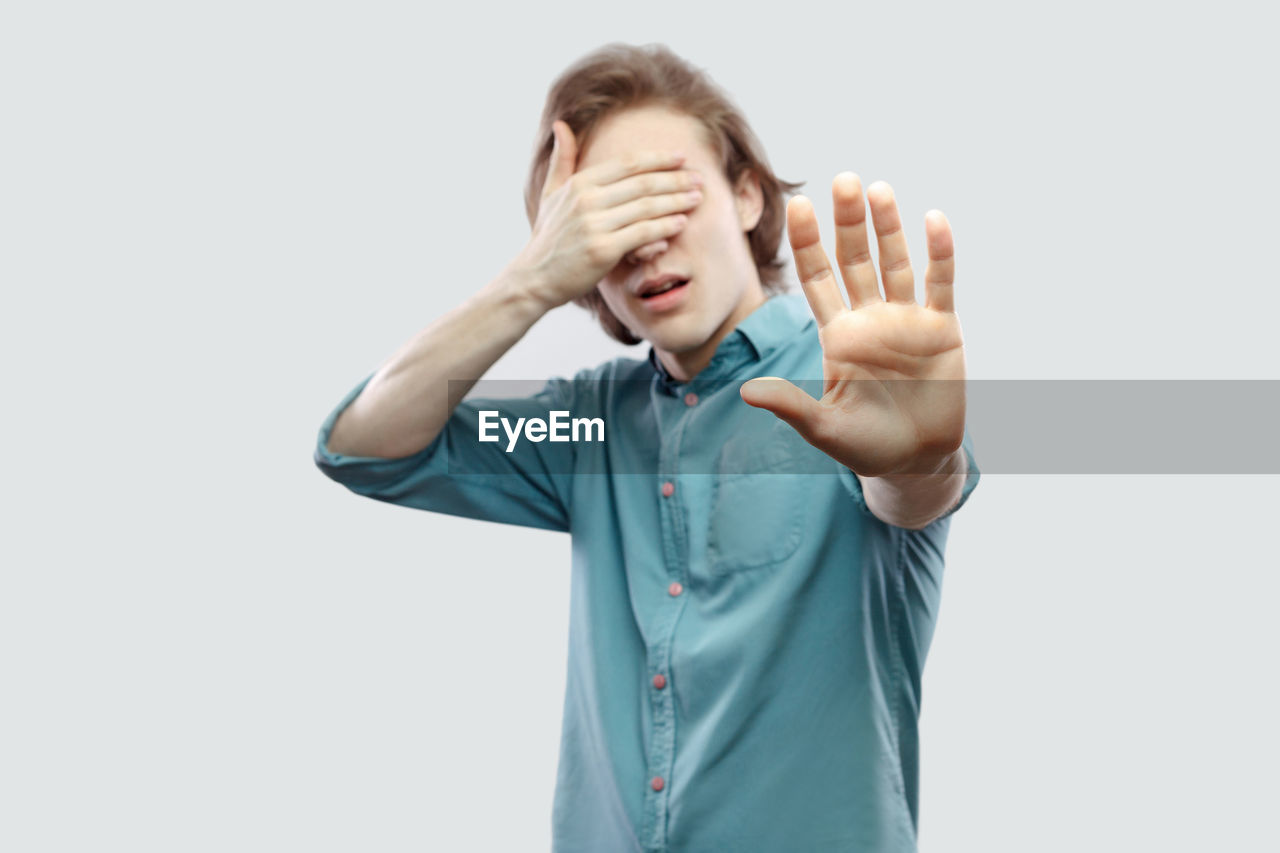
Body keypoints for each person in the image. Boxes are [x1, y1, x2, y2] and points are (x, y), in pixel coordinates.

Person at [314, 42, 980, 853]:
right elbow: (363, 444)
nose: (643, 245)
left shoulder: (851, 388)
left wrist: (914, 458)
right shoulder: (590, 426)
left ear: (744, 194)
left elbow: (914, 487)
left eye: (666, 198)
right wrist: (530, 279)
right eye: (604, 224)